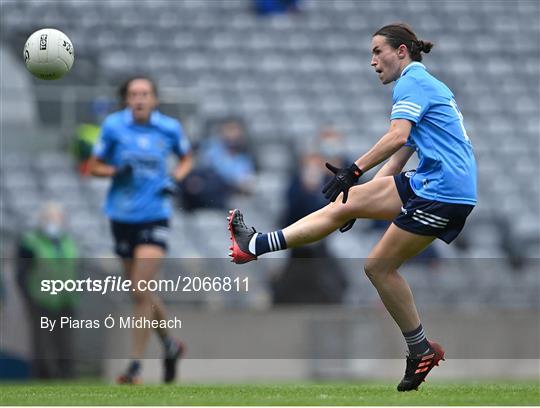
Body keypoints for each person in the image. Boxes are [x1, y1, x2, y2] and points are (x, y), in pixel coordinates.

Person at [228, 23, 477, 391]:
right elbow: (403, 150)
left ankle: (256, 246)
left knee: (373, 255)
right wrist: (359, 200)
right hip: (439, 183)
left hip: (442, 189)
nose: (373, 60)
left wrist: (354, 170)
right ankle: (420, 349)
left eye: (378, 51)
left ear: (402, 52)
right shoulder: (428, 85)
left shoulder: (411, 83)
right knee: (364, 240)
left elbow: (398, 136)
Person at [88, 75, 193, 384]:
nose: (139, 99)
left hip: (155, 215)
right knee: (142, 291)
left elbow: (187, 158)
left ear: (155, 99)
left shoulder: (169, 128)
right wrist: (115, 170)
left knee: (138, 289)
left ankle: (134, 366)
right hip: (121, 217)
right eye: (134, 94)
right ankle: (170, 344)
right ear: (126, 99)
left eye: (145, 93)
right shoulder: (113, 127)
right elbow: (92, 166)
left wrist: (175, 178)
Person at [17, 202, 79, 379]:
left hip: (66, 299)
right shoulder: (30, 242)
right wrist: (29, 297)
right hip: (41, 299)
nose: (53, 222)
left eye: (56, 218)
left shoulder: (68, 242)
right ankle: (44, 377)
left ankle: (66, 377)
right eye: (49, 218)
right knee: (42, 342)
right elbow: (22, 273)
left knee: (65, 342)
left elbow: (75, 269)